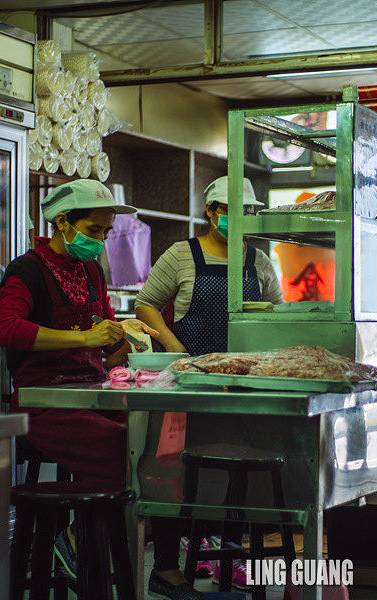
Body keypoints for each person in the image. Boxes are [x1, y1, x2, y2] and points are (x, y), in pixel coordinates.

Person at [0, 179, 216, 600]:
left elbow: (103, 331)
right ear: (63, 222)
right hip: (43, 403)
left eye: (105, 232)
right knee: (123, 447)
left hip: (91, 391)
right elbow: (7, 327)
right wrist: (84, 337)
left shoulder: (90, 271)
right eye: (94, 230)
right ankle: (75, 539)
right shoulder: (26, 271)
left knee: (162, 442)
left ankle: (153, 562)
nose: (100, 241)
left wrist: (124, 337)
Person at [135, 175, 282, 589]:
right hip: (189, 382)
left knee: (234, 471)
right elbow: (146, 304)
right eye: (229, 210)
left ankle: (225, 558)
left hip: (240, 385)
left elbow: (278, 313)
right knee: (174, 472)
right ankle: (166, 566)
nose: (238, 218)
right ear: (210, 211)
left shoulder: (258, 261)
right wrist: (173, 346)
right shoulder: (182, 254)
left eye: (246, 211)